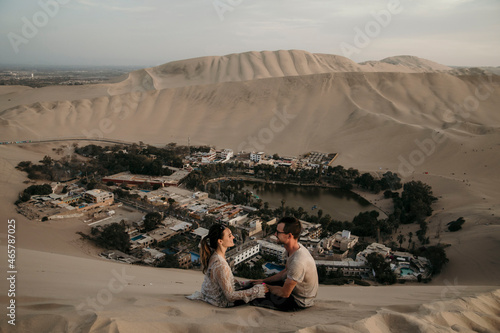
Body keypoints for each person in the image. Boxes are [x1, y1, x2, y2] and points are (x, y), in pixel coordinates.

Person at [187, 224, 268, 307]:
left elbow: (226, 282)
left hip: (211, 298)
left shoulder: (215, 256)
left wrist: (247, 283)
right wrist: (256, 290)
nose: (233, 237)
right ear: (220, 241)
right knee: (265, 292)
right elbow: (230, 296)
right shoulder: (221, 265)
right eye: (229, 236)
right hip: (221, 303)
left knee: (258, 286)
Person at [250, 216, 318, 311]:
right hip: (292, 291)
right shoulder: (292, 249)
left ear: (289, 236)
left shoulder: (298, 261)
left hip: (298, 301)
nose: (275, 234)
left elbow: (285, 293)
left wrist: (265, 286)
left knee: (253, 295)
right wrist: (264, 281)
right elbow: (285, 272)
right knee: (254, 285)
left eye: (278, 232)